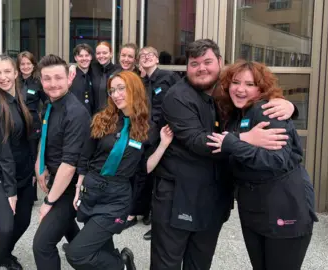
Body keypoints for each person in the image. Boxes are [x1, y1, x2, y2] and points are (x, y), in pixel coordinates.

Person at [151, 39, 297, 270]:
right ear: (186, 67)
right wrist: (244, 139)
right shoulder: (177, 97)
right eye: (194, 63)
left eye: (207, 61)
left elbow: (255, 96)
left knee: (200, 263)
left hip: (213, 199)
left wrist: (287, 105)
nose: (201, 68)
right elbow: (197, 141)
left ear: (219, 62)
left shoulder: (226, 90)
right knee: (166, 264)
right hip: (178, 197)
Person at [208, 60, 318, 270]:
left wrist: (234, 143)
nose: (240, 89)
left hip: (284, 206)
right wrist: (242, 139)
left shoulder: (267, 111)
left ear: (261, 88)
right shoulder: (234, 113)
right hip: (254, 210)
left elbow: (278, 160)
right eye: (236, 82)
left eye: (249, 84)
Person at [65, 71, 173, 270]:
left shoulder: (148, 128)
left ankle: (121, 264)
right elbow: (85, 156)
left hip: (116, 198)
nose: (115, 94)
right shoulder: (102, 119)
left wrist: (163, 145)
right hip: (91, 190)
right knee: (99, 249)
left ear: (134, 89)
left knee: (76, 254)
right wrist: (79, 186)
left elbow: (145, 167)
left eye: (121, 88)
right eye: (112, 90)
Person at [32, 54, 91, 269]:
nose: (53, 83)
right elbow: (45, 137)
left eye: (58, 77)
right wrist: (40, 166)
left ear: (69, 79)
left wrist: (48, 203)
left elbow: (69, 165)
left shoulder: (75, 113)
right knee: (68, 230)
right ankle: (107, 262)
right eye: (47, 79)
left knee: (42, 245)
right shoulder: (49, 105)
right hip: (56, 179)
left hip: (72, 187)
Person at [0, 55, 34, 270]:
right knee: (4, 228)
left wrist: (34, 172)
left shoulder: (19, 98)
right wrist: (11, 191)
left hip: (23, 174)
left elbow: (26, 140)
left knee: (22, 222)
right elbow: (4, 152)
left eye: (6, 72)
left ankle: (4, 254)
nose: (2, 77)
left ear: (16, 73)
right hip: (0, 176)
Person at [127, 46, 181, 238]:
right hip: (145, 135)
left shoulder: (169, 77)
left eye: (150, 54)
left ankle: (158, 225)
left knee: (161, 181)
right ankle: (142, 212)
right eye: (142, 56)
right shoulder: (141, 82)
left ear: (157, 59)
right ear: (139, 62)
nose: (146, 57)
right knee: (144, 174)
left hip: (165, 136)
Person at [17, 51, 47, 202]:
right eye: (22, 64)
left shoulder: (38, 82)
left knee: (31, 155)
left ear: (33, 65)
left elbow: (47, 102)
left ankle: (31, 193)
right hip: (16, 123)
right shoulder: (15, 81)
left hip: (33, 124)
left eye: (28, 63)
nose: (25, 66)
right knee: (18, 154)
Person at [89, 41, 117, 113]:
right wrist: (73, 67)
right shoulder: (91, 68)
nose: (101, 56)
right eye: (98, 53)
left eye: (105, 53)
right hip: (94, 114)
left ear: (111, 54)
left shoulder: (118, 70)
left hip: (113, 113)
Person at [69, 44, 95, 115]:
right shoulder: (70, 76)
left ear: (91, 57)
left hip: (93, 119)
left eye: (87, 55)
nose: (84, 58)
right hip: (75, 119)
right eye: (80, 56)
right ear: (75, 58)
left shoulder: (94, 73)